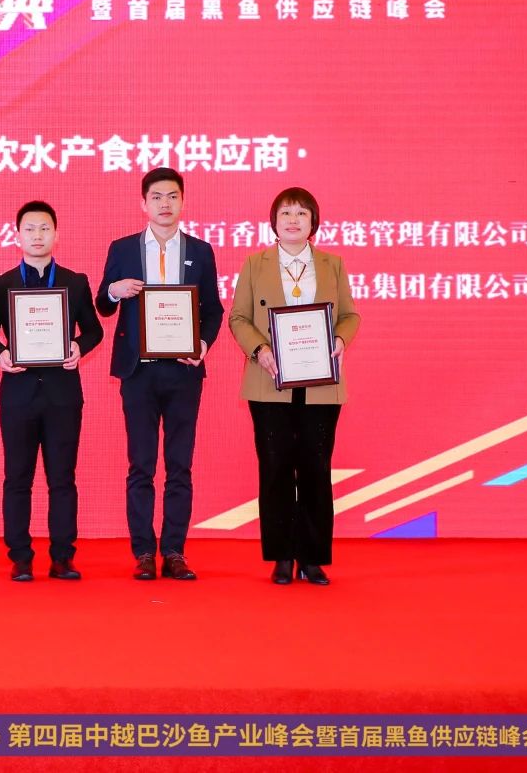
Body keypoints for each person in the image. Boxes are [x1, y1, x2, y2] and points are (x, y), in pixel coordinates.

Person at [95, 168, 223, 582]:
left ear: (183, 201)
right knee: (142, 465)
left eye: (172, 196)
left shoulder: (200, 251)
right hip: (139, 372)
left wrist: (201, 346)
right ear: (143, 203)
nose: (164, 204)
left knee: (180, 465)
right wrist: (115, 290)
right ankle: (144, 552)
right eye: (156, 197)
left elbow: (213, 310)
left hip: (184, 372)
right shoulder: (123, 248)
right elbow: (102, 304)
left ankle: (174, 551)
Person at [228, 187, 359, 585]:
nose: (293, 220)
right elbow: (238, 318)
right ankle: (282, 556)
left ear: (313, 222)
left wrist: (340, 339)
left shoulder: (333, 264)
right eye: (285, 213)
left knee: (316, 469)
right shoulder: (255, 264)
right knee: (276, 469)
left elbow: (350, 315)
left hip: (321, 384)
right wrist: (260, 349)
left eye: (301, 213)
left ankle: (313, 558)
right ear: (274, 221)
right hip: (270, 382)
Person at [0, 201, 103, 582]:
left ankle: (63, 556)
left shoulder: (75, 282)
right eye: (29, 229)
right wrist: (1, 353)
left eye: (44, 228)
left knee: (62, 478)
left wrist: (79, 346)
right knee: (17, 478)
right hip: (18, 394)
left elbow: (94, 330)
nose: (37, 235)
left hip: (63, 395)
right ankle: (20, 556)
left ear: (56, 234)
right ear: (17, 236)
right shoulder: (2, 284)